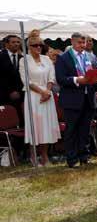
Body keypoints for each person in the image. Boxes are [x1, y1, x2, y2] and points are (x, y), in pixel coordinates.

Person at [55, 32, 97, 168]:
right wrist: (76, 80)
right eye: (80, 43)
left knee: (85, 130)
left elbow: (96, 71)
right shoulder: (63, 58)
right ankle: (72, 159)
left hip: (88, 98)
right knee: (71, 130)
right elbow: (61, 79)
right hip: (72, 100)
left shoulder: (91, 56)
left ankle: (84, 157)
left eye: (84, 42)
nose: (82, 45)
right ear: (72, 42)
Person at [19, 30, 61, 166]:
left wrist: (47, 92)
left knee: (46, 126)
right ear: (29, 47)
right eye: (35, 45)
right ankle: (33, 155)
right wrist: (41, 92)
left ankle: (45, 156)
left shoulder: (47, 59)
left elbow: (51, 77)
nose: (38, 48)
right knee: (35, 125)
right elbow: (26, 80)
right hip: (33, 96)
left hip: (47, 95)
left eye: (40, 45)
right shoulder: (23, 60)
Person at [0, 35, 24, 122]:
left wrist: (18, 91)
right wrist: (10, 91)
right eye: (13, 42)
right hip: (4, 96)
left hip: (20, 96)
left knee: (21, 120)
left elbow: (23, 78)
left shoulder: (22, 59)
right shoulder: (1, 56)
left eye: (18, 42)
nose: (16, 44)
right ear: (6, 44)